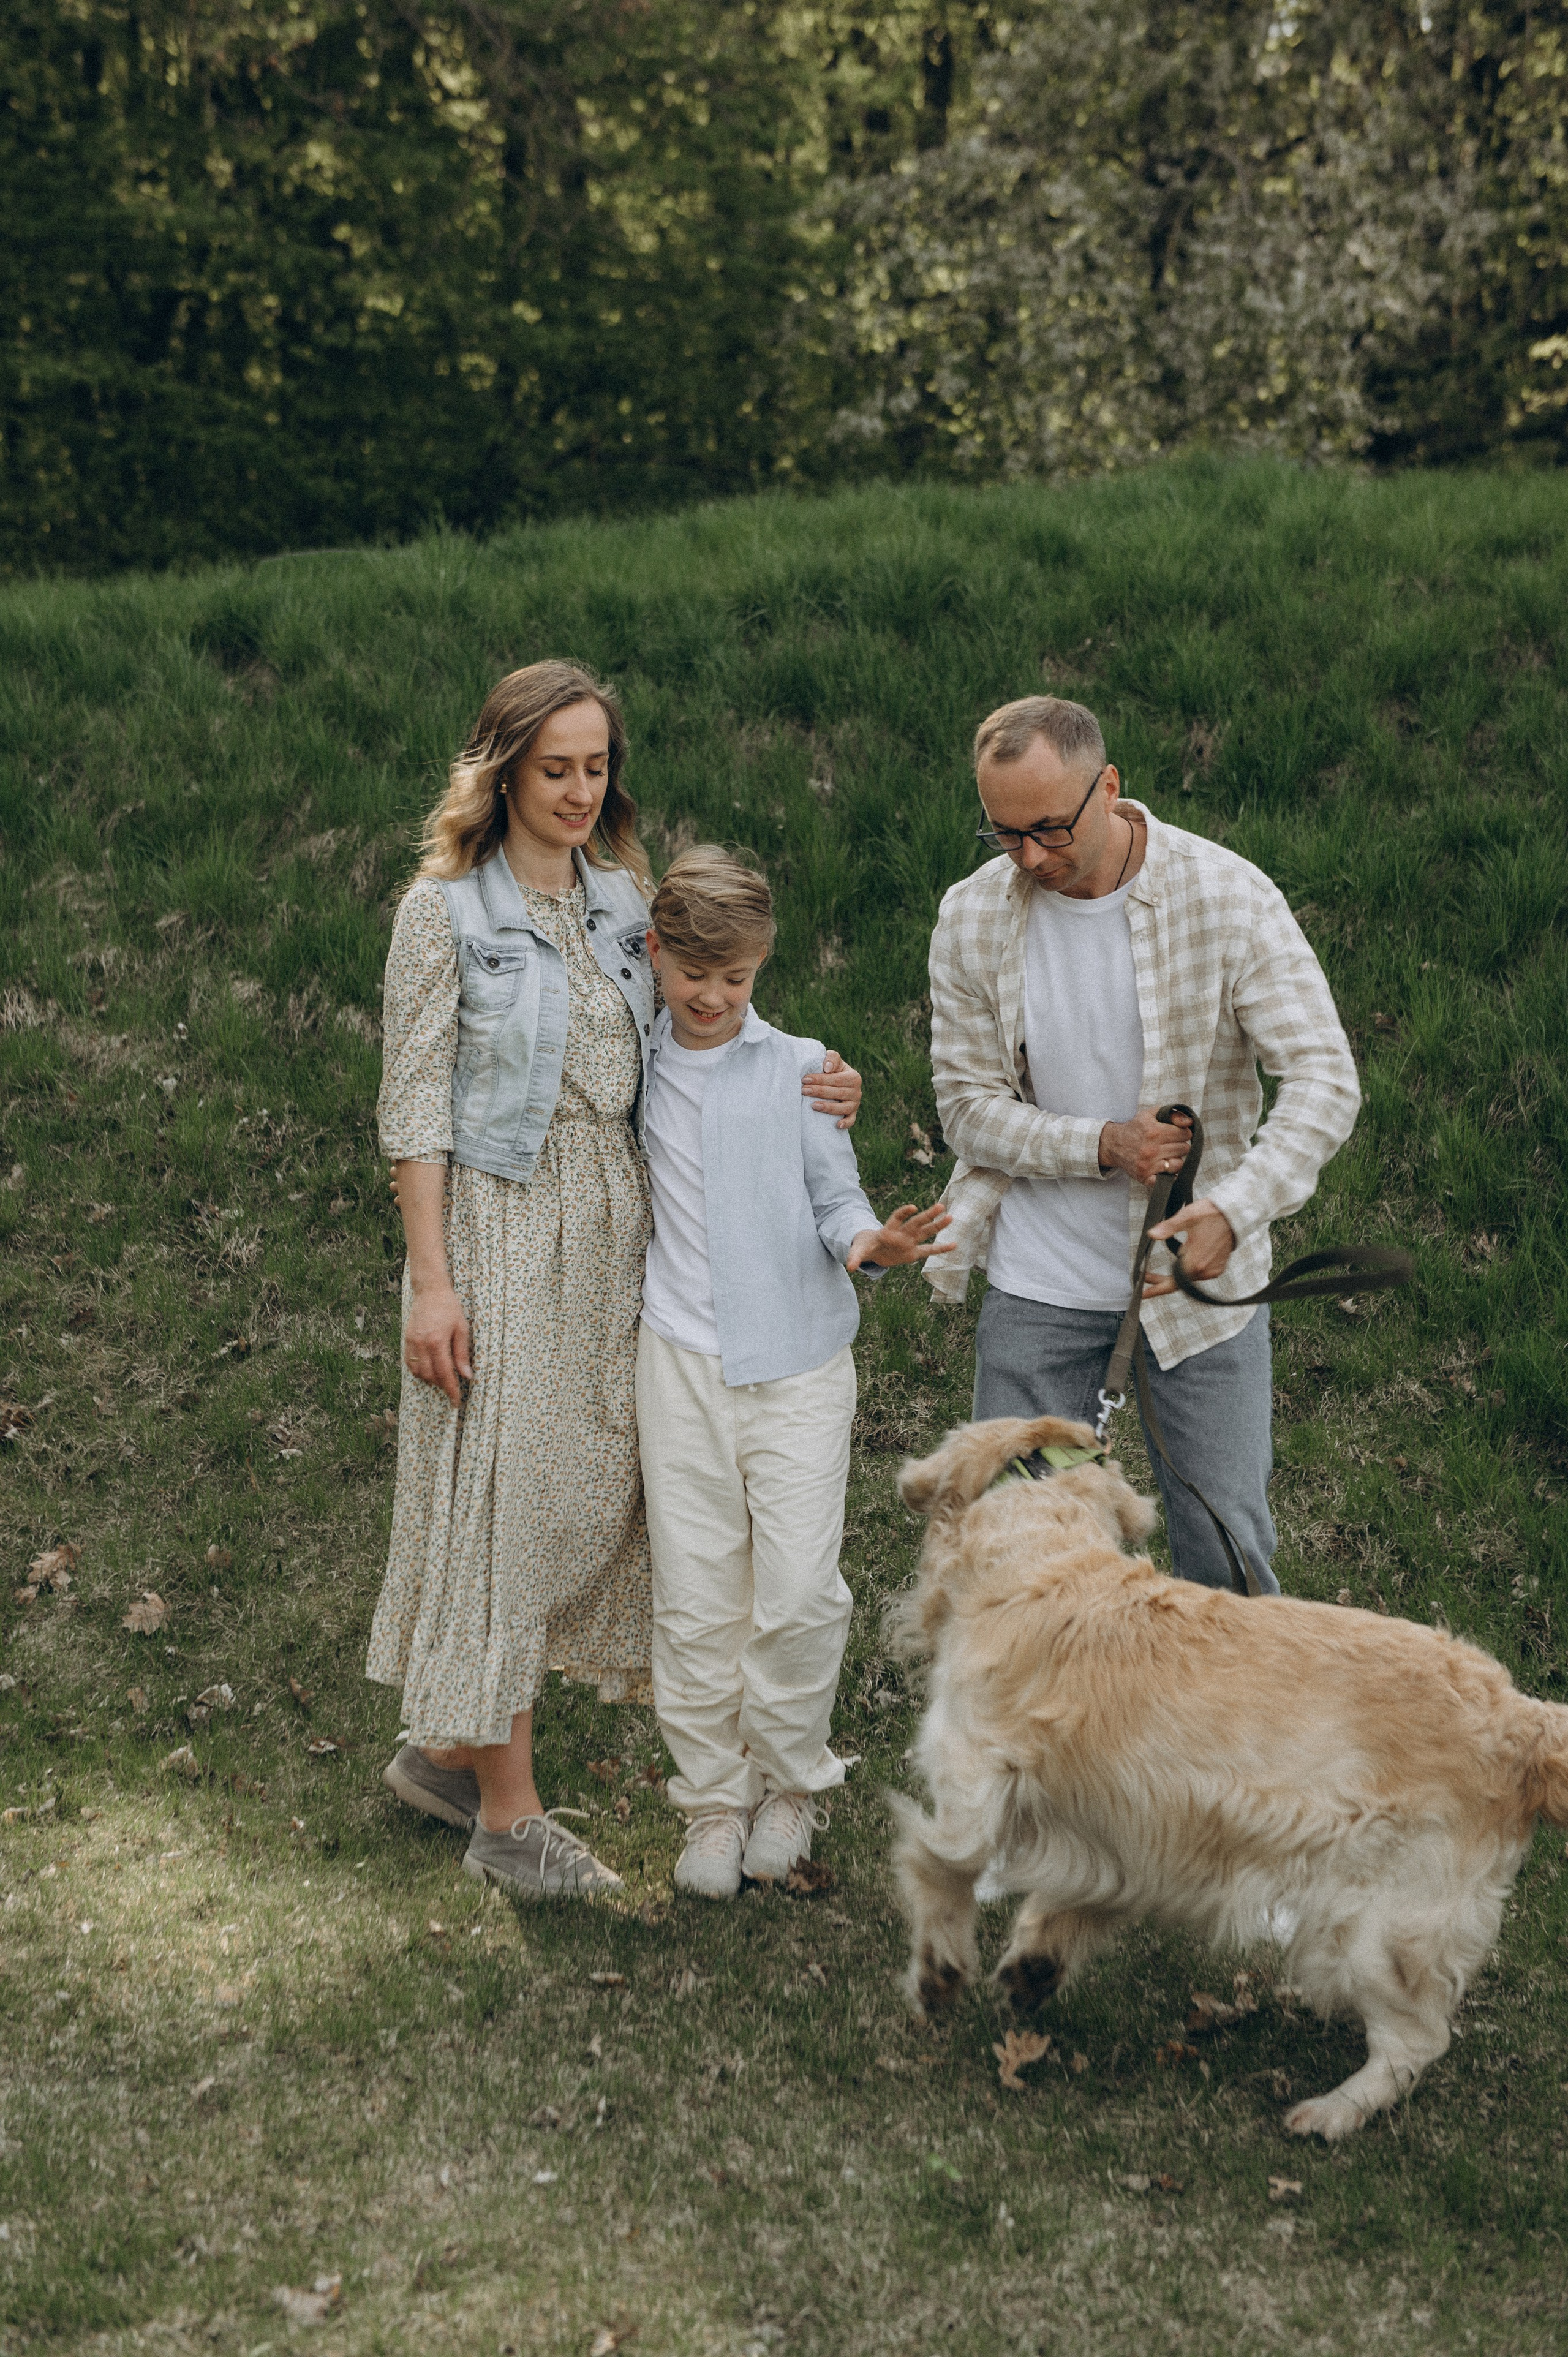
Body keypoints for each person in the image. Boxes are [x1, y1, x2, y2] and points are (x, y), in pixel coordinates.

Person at [366, 662, 862, 1898]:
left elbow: (706, 1026)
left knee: (597, 1497)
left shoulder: (625, 901)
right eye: (555, 768)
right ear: (503, 769)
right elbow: (413, 1107)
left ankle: (444, 1751)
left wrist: (814, 1078)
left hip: (621, 1238)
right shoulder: (445, 914)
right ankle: (508, 1816)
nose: (581, 789)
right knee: (507, 1503)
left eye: (596, 766)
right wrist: (433, 1281)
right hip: (500, 1227)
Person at [925, 694, 1361, 1594]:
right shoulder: (971, 917)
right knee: (1013, 1566)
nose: (1032, 857)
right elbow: (966, 1109)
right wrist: (1103, 1144)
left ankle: (1225, 1739)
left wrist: (1233, 1214)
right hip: (1038, 1289)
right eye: (1005, 835)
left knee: (1226, 1558)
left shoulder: (1228, 895)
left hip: (1201, 1297)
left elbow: (1325, 1080)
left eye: (1051, 828)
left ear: (1110, 787)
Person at [635, 847, 952, 1900]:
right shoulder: (630, 1059)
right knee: (695, 1597)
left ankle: (791, 1783)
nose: (714, 999)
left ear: (763, 969)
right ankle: (714, 1804)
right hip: (677, 1364)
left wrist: (872, 1243)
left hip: (799, 1370)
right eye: (695, 977)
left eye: (737, 980)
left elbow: (836, 1200)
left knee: (801, 1592)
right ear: (657, 956)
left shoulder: (804, 1067)